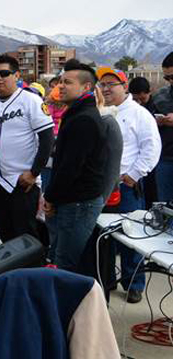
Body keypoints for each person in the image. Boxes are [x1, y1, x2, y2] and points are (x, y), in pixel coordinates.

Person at [97, 67, 161, 303]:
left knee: (130, 237)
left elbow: (152, 148)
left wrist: (134, 174)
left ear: (124, 86)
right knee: (104, 238)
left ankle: (134, 283)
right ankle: (107, 279)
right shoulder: (101, 111)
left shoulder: (138, 113)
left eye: (112, 84)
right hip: (102, 186)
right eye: (102, 84)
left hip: (125, 184)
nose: (106, 88)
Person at [0, 53, 54, 242]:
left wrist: (33, 173)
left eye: (4, 73)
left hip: (22, 181)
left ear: (17, 76)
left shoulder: (31, 100)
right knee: (5, 236)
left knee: (26, 237)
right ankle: (12, 272)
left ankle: (31, 272)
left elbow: (47, 139)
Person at [43, 59, 109, 271]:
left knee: (66, 263)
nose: (60, 86)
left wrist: (51, 197)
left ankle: (69, 304)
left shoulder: (84, 119)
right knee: (61, 256)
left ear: (86, 87)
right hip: (72, 200)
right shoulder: (75, 114)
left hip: (80, 202)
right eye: (60, 81)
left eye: (67, 82)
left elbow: (70, 168)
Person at [129, 76, 159, 208]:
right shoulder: (129, 109)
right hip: (134, 159)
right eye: (136, 99)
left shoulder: (158, 105)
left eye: (143, 99)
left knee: (154, 191)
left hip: (154, 157)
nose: (139, 103)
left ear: (149, 92)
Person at [152, 51, 173, 204]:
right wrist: (157, 121)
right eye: (167, 77)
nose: (170, 81)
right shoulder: (160, 95)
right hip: (165, 156)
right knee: (164, 207)